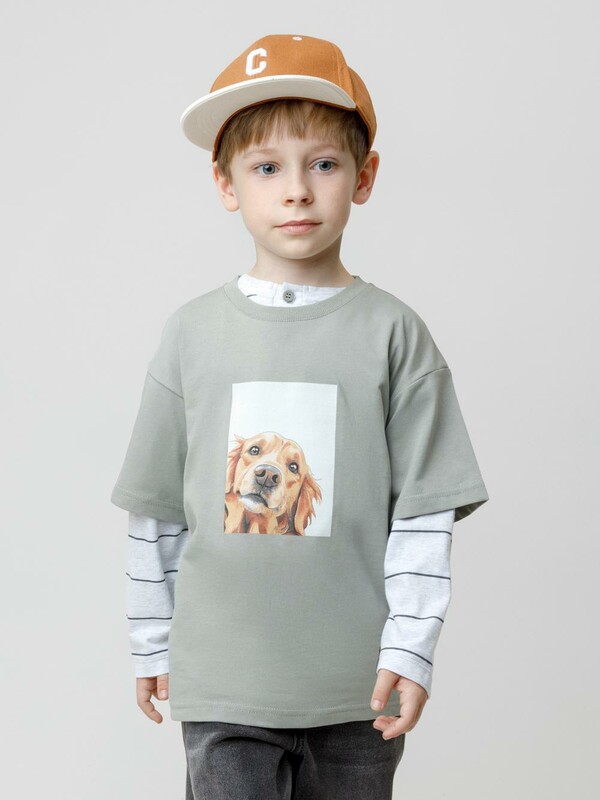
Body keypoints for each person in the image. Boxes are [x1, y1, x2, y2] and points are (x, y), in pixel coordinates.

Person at [111, 33, 489, 800]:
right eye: (266, 167)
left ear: (363, 176)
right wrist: (151, 639)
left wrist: (410, 652)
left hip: (356, 689)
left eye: (322, 164)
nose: (296, 192)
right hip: (223, 683)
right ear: (225, 183)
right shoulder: (190, 335)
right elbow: (156, 512)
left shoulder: (395, 335)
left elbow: (424, 516)